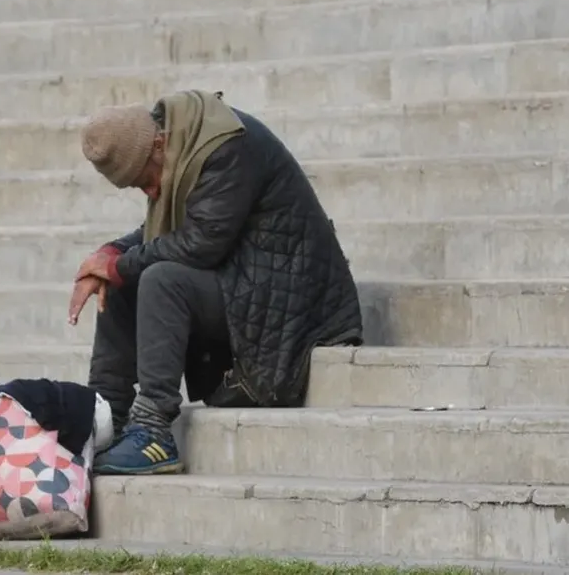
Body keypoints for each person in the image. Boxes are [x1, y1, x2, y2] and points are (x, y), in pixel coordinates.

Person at [69, 90, 362, 476]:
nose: (152, 193)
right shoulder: (181, 141)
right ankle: (105, 423)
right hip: (246, 286)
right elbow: (167, 232)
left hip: (293, 310)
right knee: (125, 279)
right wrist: (107, 256)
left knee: (159, 279)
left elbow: (201, 243)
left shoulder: (226, 148)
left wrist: (120, 264)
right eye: (140, 189)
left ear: (158, 143)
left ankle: (154, 429)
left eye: (147, 181)